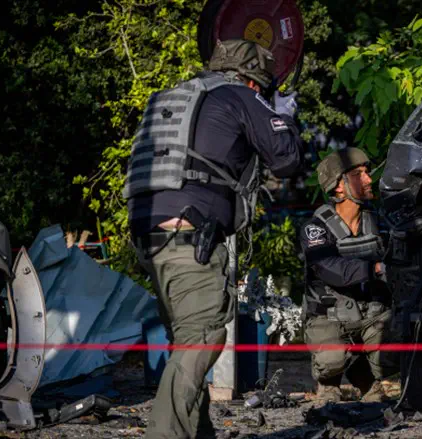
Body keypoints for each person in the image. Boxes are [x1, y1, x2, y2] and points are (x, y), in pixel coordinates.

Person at [125, 39, 303, 439]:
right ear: (253, 81)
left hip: (150, 237)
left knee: (186, 340)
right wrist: (283, 117)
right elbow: (286, 158)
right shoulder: (241, 96)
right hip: (192, 237)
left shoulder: (176, 98)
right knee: (202, 339)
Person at [300, 147, 396, 404]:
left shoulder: (379, 223)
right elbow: (330, 268)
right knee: (331, 362)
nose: (368, 179)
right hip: (330, 315)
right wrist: (375, 269)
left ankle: (366, 377)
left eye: (367, 172)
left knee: (396, 347)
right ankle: (328, 382)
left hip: (370, 314)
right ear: (338, 187)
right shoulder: (315, 228)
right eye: (358, 174)